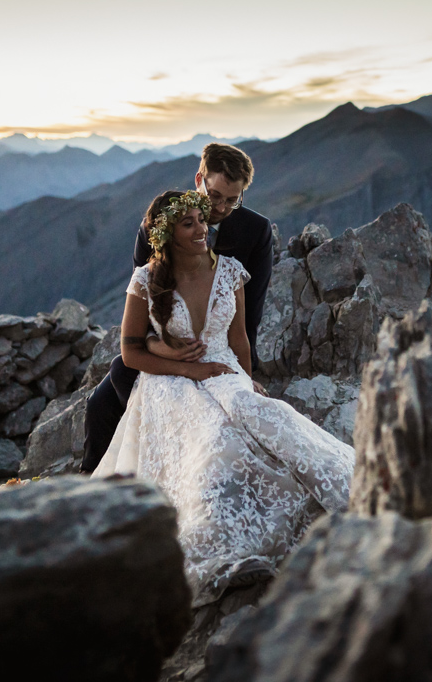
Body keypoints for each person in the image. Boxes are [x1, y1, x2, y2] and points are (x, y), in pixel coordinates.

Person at [91, 190, 353, 605]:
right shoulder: (145, 279)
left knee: (266, 421)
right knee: (215, 444)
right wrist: (186, 367)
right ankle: (219, 552)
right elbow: (131, 350)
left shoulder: (231, 271)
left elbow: (240, 342)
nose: (202, 229)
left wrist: (247, 385)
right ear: (167, 235)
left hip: (224, 368)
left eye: (202, 220)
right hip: (169, 382)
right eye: (189, 223)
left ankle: (335, 496)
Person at [81, 143, 274, 474]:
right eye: (215, 196)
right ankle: (94, 480)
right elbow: (144, 300)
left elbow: (249, 315)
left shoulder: (255, 232)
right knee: (101, 402)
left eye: (233, 199)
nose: (223, 207)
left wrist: (246, 377)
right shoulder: (157, 225)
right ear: (199, 179)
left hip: (220, 351)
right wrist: (163, 347)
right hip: (168, 344)